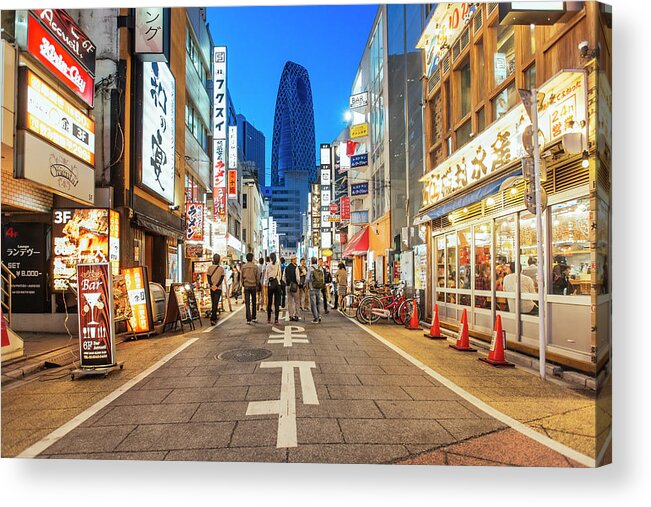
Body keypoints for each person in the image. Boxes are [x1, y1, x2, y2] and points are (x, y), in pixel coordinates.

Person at [206, 253, 225, 325]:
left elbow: (208, 277)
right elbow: (221, 278)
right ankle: (213, 318)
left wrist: (211, 285)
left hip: (212, 288)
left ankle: (213, 317)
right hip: (218, 288)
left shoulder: (209, 268)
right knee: (216, 302)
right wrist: (216, 285)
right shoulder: (221, 269)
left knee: (213, 302)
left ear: (213, 260)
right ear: (219, 260)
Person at [241, 253, 260, 324]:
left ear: (246, 258)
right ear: (252, 258)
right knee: (254, 302)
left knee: (247, 302)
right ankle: (254, 317)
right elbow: (258, 277)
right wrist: (257, 284)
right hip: (253, 285)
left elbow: (241, 277)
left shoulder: (243, 267)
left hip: (246, 285)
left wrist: (243, 283)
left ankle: (248, 319)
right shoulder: (255, 267)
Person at [264, 252, 282, 324]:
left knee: (270, 301)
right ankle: (276, 319)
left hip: (270, 284)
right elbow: (280, 275)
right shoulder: (278, 265)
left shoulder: (268, 266)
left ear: (270, 258)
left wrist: (265, 284)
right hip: (277, 284)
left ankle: (269, 318)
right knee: (277, 303)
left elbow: (266, 276)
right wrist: (278, 280)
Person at [306, 257, 324, 323]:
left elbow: (307, 278)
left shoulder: (310, 268)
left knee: (313, 303)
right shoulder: (320, 268)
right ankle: (319, 316)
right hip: (318, 287)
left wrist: (306, 284)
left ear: (311, 261)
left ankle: (315, 317)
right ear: (316, 261)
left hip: (312, 287)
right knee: (318, 302)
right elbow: (323, 278)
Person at [283, 255, 301, 321]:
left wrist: (287, 283)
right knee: (296, 301)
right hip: (294, 286)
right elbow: (298, 278)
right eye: (295, 259)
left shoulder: (286, 268)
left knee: (289, 301)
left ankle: (290, 316)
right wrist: (298, 284)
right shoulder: (296, 268)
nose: (296, 260)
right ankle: (296, 315)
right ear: (293, 260)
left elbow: (283, 278)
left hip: (288, 286)